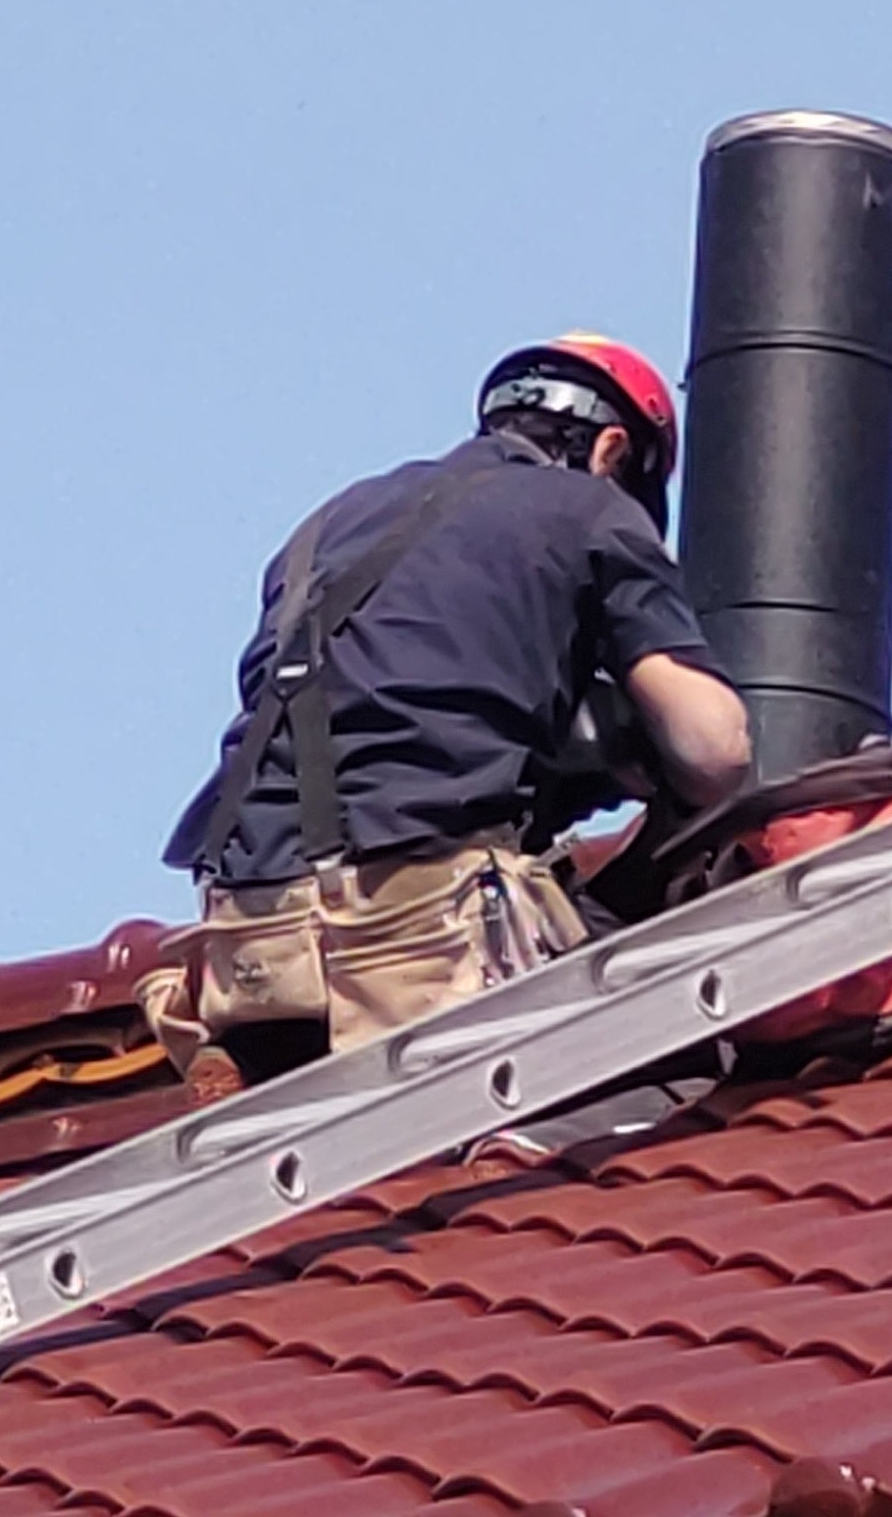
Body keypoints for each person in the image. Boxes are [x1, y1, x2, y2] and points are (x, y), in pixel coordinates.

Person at [139, 334, 754, 1100]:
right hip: (418, 936)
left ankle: (254, 1052)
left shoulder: (330, 523)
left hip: (249, 942)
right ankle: (540, 1122)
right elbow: (716, 749)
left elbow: (392, 710)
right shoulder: (591, 509)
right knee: (688, 1063)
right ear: (612, 449)